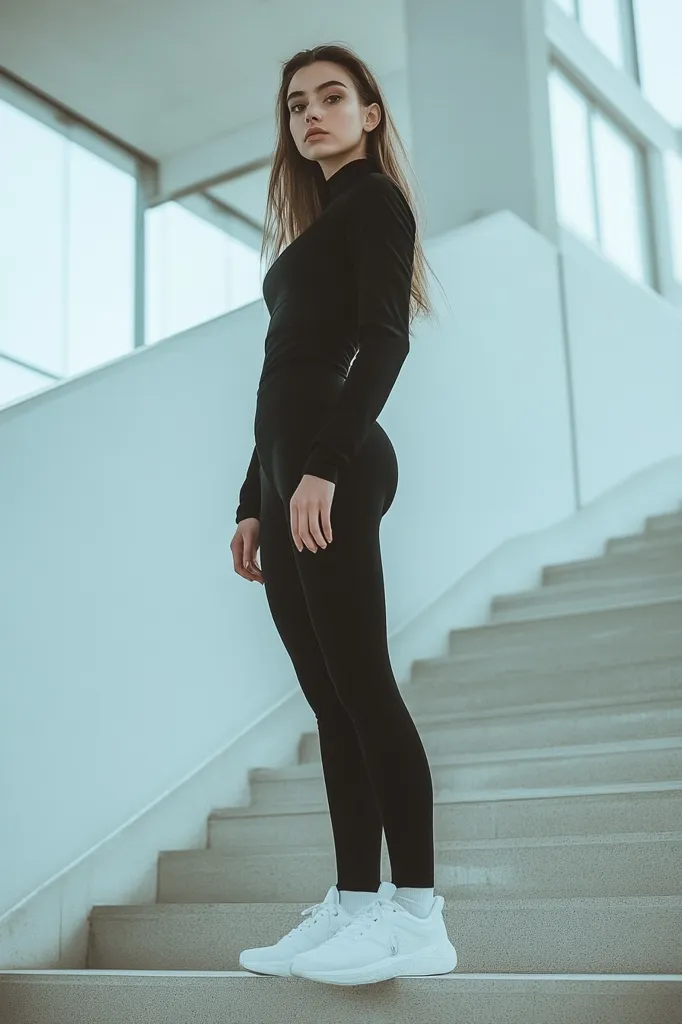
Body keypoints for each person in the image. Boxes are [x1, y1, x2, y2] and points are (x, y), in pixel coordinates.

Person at [231, 43, 457, 986]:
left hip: (337, 462)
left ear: (369, 114)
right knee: (330, 703)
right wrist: (253, 499)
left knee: (364, 684)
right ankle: (355, 907)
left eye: (334, 97)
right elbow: (278, 374)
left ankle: (419, 917)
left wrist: (321, 466)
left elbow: (383, 340)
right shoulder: (302, 240)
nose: (312, 113)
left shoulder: (375, 203)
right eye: (297, 104)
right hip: (288, 475)